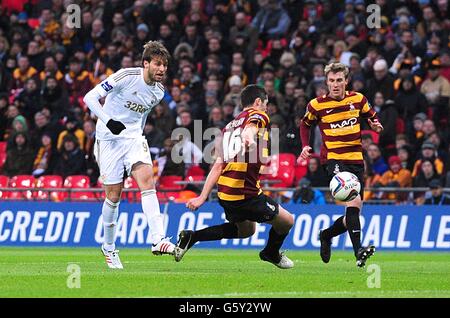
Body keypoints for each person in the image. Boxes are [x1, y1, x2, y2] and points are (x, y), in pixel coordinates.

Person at [174, 85, 295, 269]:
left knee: (247, 229)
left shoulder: (228, 128)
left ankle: (192, 237)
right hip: (246, 193)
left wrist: (202, 197)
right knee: (287, 221)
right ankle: (271, 253)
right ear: (257, 102)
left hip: (226, 193)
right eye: (266, 103)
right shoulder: (259, 115)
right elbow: (251, 128)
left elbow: (217, 166)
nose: (266, 108)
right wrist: (249, 137)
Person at [83, 41, 175, 269]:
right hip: (108, 139)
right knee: (114, 197)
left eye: (164, 65)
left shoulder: (159, 92)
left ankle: (158, 239)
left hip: (133, 139)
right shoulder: (126, 76)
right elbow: (89, 98)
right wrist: (108, 121)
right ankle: (109, 247)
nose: (162, 69)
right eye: (157, 64)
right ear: (146, 63)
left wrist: (137, 135)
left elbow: (142, 117)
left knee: (148, 182)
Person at [298, 62, 384, 267]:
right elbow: (305, 124)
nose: (335, 84)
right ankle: (358, 252)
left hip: (356, 159)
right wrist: (305, 146)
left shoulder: (358, 99)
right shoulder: (317, 104)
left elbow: (372, 118)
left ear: (346, 81)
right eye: (331, 81)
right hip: (333, 159)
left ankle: (327, 235)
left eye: (339, 80)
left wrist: (376, 125)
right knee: (352, 202)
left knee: (353, 213)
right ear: (326, 82)